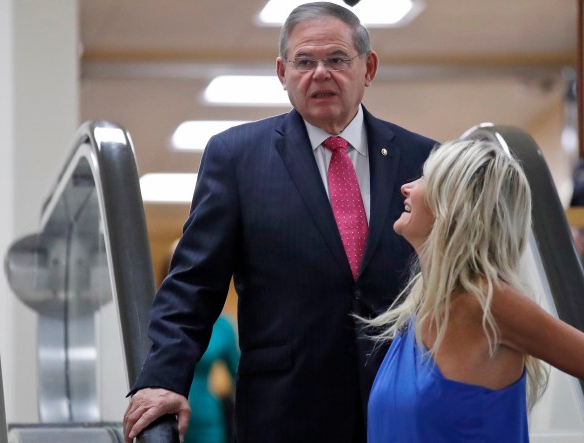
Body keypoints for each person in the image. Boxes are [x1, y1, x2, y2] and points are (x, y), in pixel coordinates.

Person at [122, 3, 436, 442]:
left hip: (405, 406)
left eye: (336, 59)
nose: (320, 73)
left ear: (368, 68)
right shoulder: (237, 157)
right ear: (281, 72)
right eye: (304, 62)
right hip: (285, 412)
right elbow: (194, 283)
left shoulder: (424, 160)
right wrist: (162, 378)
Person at [364, 139, 584, 441]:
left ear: (454, 203)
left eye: (425, 178)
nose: (407, 187)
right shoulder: (418, 308)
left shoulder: (485, 302)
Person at [184, 314, 240, 443]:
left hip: (206, 420)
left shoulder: (222, 327)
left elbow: (238, 376)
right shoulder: (167, 318)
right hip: (166, 415)